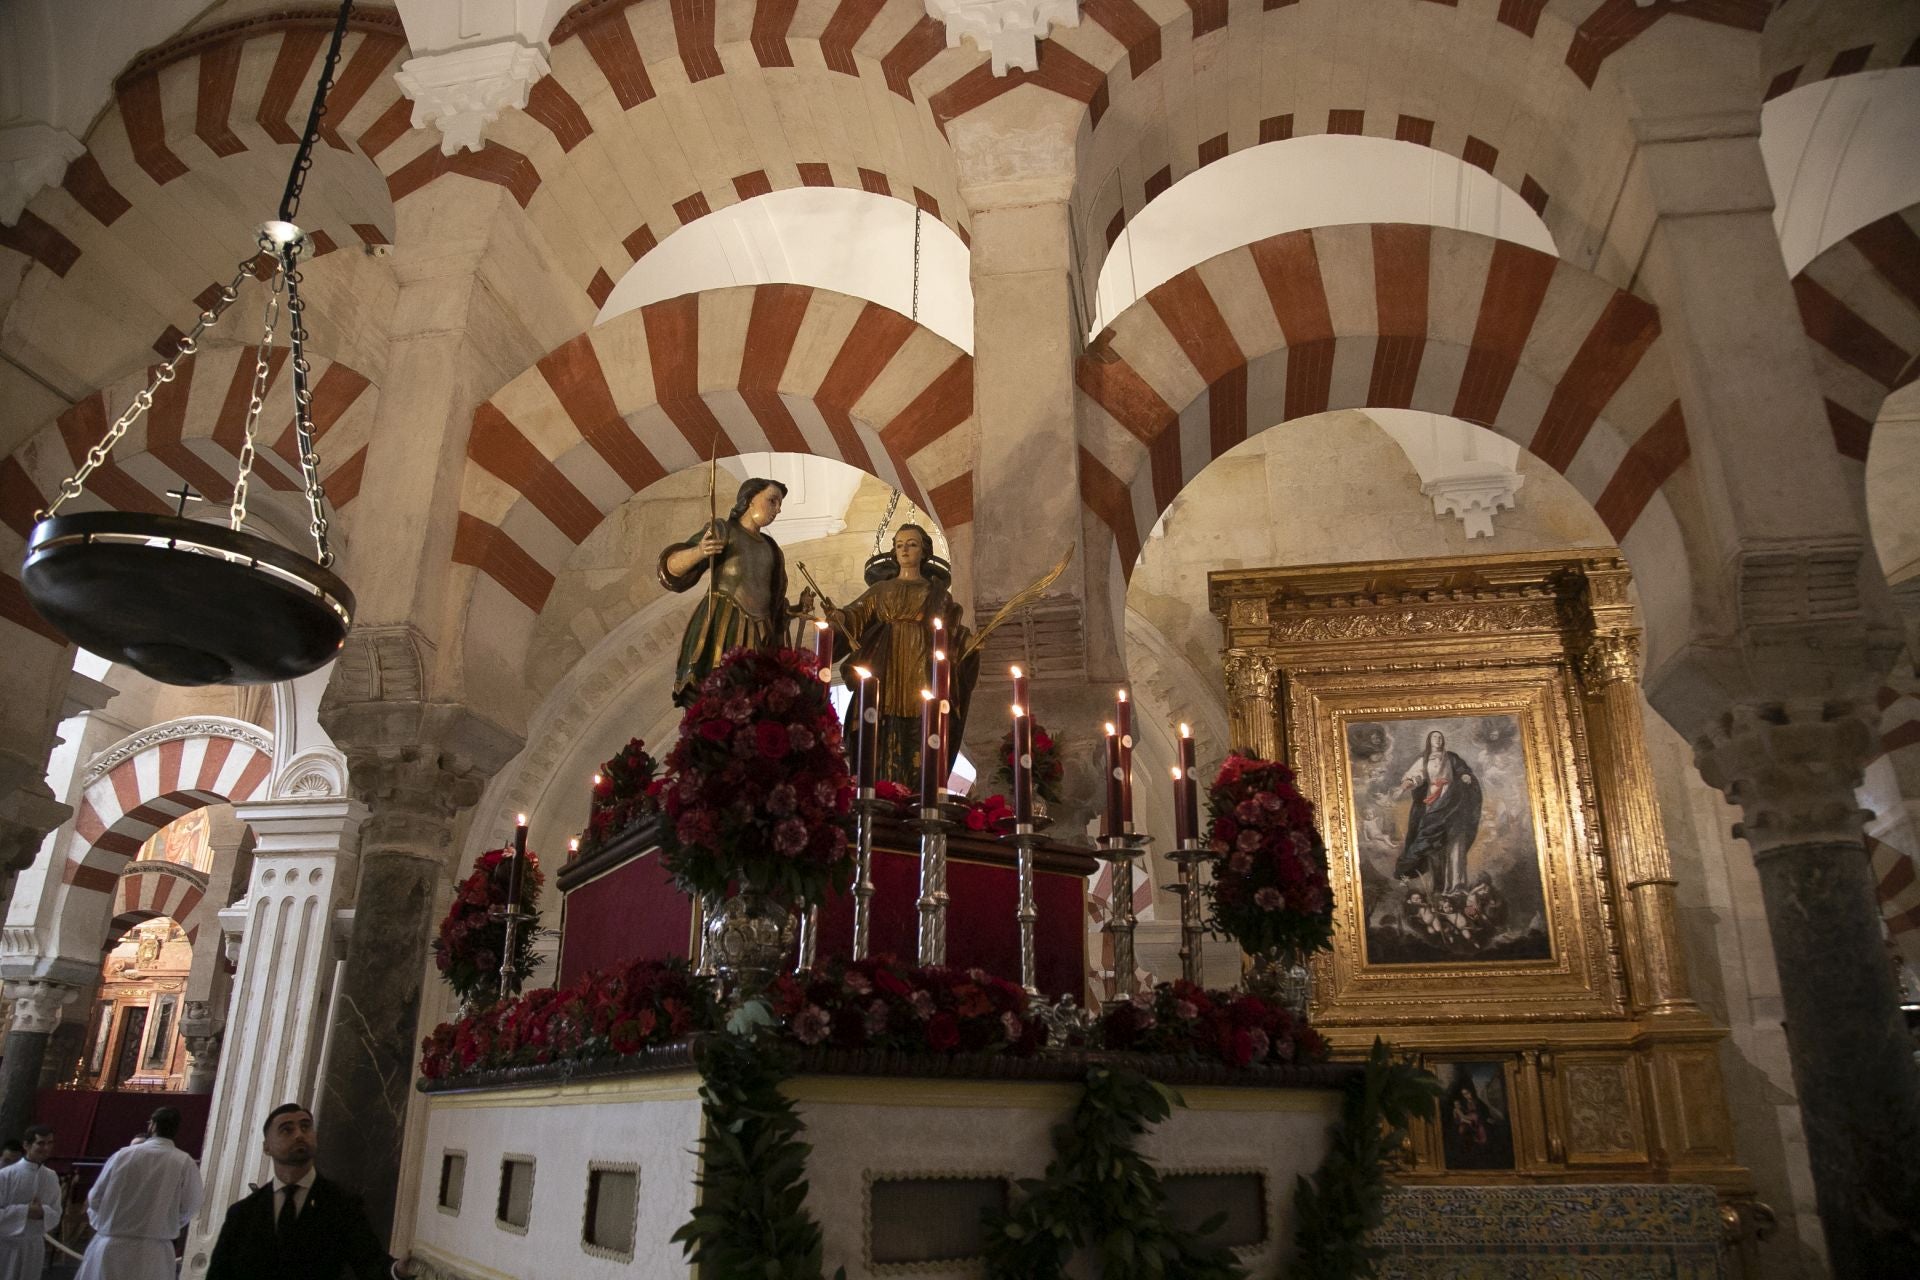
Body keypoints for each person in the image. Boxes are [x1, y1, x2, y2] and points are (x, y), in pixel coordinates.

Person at [817, 524, 978, 787]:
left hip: (922, 669)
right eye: (899, 544)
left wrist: (967, 642)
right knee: (881, 728)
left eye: (912, 544)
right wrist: (840, 618)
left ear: (924, 551)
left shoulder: (937, 595)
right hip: (886, 670)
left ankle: (917, 790)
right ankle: (882, 788)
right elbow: (856, 616)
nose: (904, 550)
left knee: (922, 727)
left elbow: (950, 633)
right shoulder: (882, 590)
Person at [205, 1104, 417, 1280]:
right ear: (266, 1147)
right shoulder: (242, 1213)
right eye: (287, 1130)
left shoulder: (342, 1204)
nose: (299, 1134)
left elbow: (370, 1262)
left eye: (305, 1127)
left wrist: (397, 1270)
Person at [658, 477, 800, 706]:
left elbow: (774, 601)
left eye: (779, 504)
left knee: (758, 700)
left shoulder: (771, 548)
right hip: (725, 622)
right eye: (772, 501)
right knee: (717, 693)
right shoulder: (724, 530)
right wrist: (699, 552)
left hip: (761, 630)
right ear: (750, 499)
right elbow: (671, 569)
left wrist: (795, 608)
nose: (778, 510)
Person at [75, 1106, 203, 1280]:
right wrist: (165, 1223)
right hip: (153, 1250)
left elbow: (96, 1197)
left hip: (112, 1245)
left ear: (153, 1125)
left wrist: (106, 1223)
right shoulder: (183, 1162)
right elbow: (192, 1205)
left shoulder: (123, 1156)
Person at [1392, 729, 1483, 894]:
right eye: (1434, 737)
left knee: (1456, 843)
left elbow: (1462, 770)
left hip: (1454, 804)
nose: (1438, 739)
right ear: (1429, 740)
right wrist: (1402, 789)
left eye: (1440, 737)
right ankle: (1439, 887)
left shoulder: (1451, 758)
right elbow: (1414, 778)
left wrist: (1465, 776)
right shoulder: (1424, 760)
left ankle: (1457, 887)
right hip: (1433, 804)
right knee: (1433, 846)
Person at [0, 1126, 61, 1280]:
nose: (46, 1148)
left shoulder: (51, 1176)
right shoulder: (6, 1175)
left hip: (34, 1246)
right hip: (7, 1245)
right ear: (26, 1145)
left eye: (50, 1143)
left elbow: (56, 1212)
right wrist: (25, 1211)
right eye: (40, 1143)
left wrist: (43, 1212)